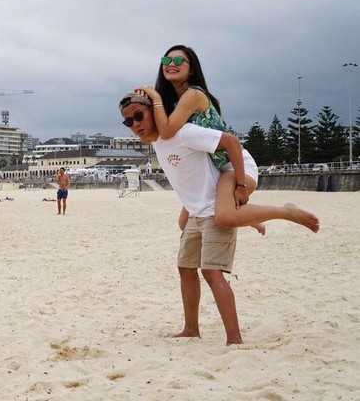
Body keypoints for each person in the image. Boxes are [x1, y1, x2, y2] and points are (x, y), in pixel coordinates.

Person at [120, 90, 319, 345]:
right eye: (128, 121)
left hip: (215, 208)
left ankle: (234, 338)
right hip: (197, 210)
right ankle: (191, 329)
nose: (135, 124)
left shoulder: (184, 133)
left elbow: (231, 142)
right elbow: (188, 178)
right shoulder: (158, 143)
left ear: (154, 112)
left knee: (212, 273)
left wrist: (240, 186)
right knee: (185, 268)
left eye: (139, 116)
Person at [138, 45, 320, 235]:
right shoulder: (172, 103)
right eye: (166, 61)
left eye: (177, 61)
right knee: (185, 223)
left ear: (191, 69)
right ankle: (248, 218)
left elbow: (166, 132)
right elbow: (156, 131)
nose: (170, 64)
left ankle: (286, 211)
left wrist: (241, 185)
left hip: (235, 165)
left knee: (224, 216)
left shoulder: (193, 94)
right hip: (215, 171)